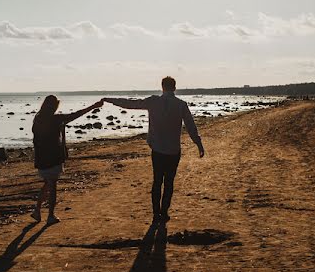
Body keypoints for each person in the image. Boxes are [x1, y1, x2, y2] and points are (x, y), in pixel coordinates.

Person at [104, 76, 204, 224]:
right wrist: (199, 144)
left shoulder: (153, 101)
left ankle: (156, 213)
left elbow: (130, 104)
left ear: (162, 87)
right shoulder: (181, 105)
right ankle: (164, 212)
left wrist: (109, 100)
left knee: (157, 181)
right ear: (174, 88)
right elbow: (190, 126)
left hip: (157, 149)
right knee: (169, 182)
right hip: (173, 150)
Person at [31, 95, 103, 224]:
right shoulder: (56, 119)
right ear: (53, 106)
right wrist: (93, 106)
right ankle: (50, 216)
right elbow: (76, 115)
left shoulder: (38, 118)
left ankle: (37, 210)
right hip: (52, 158)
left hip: (41, 157)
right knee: (52, 186)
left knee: (48, 184)